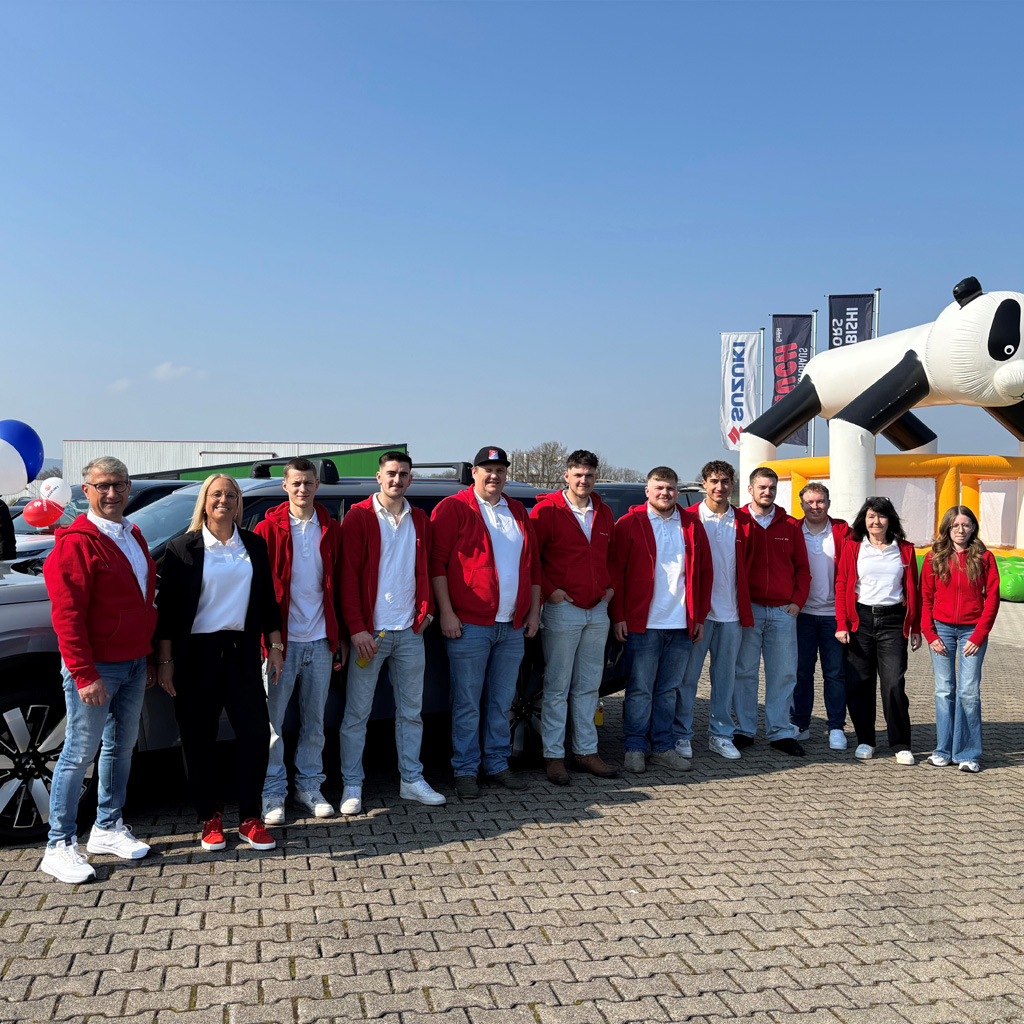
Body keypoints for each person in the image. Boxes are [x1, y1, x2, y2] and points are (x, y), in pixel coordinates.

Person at [39, 457, 157, 883]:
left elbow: (142, 601)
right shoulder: (76, 543)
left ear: (128, 488)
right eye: (102, 486)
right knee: (77, 754)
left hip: (131, 662)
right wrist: (84, 673)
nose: (112, 493)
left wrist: (145, 654)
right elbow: (67, 617)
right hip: (96, 668)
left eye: (119, 485)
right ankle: (59, 844)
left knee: (119, 749)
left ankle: (107, 827)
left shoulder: (133, 534)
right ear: (85, 491)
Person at [156, 474, 285, 851]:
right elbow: (168, 613)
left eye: (231, 495)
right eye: (216, 494)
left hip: (242, 653)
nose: (223, 500)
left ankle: (250, 818)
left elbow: (267, 602)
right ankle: (209, 817)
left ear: (238, 502)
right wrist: (165, 660)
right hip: (196, 656)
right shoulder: (183, 548)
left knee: (256, 734)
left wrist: (275, 644)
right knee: (198, 739)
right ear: (205, 501)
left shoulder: (255, 545)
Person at [430, 446, 541, 799]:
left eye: (500, 470)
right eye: (487, 469)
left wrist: (534, 611)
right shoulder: (454, 508)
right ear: (474, 473)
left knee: (501, 702)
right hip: (469, 625)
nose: (494, 476)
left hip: (511, 626)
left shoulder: (518, 511)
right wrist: (447, 612)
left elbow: (534, 565)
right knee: (467, 701)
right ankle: (465, 769)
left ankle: (496, 763)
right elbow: (436, 564)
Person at [339, 451, 445, 812]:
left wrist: (427, 610)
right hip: (371, 637)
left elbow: (428, 566)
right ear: (378, 477)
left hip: (410, 634)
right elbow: (347, 578)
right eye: (391, 474)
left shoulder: (420, 519)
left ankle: (411, 780)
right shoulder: (358, 517)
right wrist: (356, 629)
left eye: (403, 474)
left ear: (410, 480)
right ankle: (352, 785)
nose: (397, 480)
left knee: (411, 713)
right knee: (357, 715)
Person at [254, 457, 345, 825]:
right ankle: (272, 793)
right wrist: (270, 642)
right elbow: (260, 591)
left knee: (314, 723)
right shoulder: (267, 529)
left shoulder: (330, 528)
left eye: (308, 483)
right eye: (296, 483)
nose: (302, 489)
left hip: (321, 641)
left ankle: (309, 787)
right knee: (272, 724)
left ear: (316, 486)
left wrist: (339, 636)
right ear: (285, 486)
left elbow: (337, 586)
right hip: (281, 645)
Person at [610, 466, 712, 773]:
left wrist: (699, 617)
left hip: (680, 624)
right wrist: (619, 616)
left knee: (669, 690)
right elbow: (617, 572)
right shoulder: (630, 523)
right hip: (643, 624)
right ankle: (635, 747)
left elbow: (705, 574)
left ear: (677, 491)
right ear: (648, 492)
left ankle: (663, 747)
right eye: (659, 488)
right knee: (640, 688)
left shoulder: (692, 524)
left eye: (670, 488)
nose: (665, 493)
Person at [529, 449, 617, 786]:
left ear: (597, 476)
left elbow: (613, 558)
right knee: (556, 687)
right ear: (566, 476)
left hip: (597, 609)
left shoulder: (604, 512)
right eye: (577, 475)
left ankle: (586, 752)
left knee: (588, 687)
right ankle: (553, 756)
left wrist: (609, 591)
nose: (583, 481)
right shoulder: (546, 510)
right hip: (562, 608)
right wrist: (551, 591)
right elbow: (532, 557)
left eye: (589, 475)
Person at [676, 461, 754, 761]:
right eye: (713, 481)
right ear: (704, 484)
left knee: (725, 679)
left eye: (724, 481)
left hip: (732, 615)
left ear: (732, 484)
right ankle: (681, 734)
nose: (719, 487)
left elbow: (749, 565)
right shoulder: (689, 517)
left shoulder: (743, 521)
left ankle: (720, 734)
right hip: (699, 615)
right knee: (687, 679)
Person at [835, 496, 922, 765]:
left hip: (894, 622)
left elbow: (914, 589)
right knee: (859, 684)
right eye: (871, 516)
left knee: (894, 683)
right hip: (859, 621)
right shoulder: (853, 548)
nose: (876, 521)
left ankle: (900, 743)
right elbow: (841, 584)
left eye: (882, 516)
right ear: (864, 519)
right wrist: (841, 623)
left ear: (890, 520)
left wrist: (915, 626)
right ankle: (866, 740)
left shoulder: (905, 550)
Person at [734, 467, 810, 755]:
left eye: (771, 488)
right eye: (761, 487)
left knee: (783, 674)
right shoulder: (738, 521)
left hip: (782, 612)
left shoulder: (790, 525)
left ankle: (779, 732)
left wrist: (797, 603)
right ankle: (743, 730)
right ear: (750, 489)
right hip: (749, 610)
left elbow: (803, 569)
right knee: (745, 673)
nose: (767, 492)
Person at [921, 506, 1000, 774]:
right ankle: (943, 750)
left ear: (973, 527)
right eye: (955, 525)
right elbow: (925, 598)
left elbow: (992, 598)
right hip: (941, 630)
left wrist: (979, 634)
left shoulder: (985, 558)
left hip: (972, 632)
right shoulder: (934, 557)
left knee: (968, 692)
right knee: (944, 690)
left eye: (966, 525)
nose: (960, 530)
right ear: (947, 528)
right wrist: (930, 634)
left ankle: (968, 753)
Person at [790, 482, 851, 750]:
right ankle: (800, 723)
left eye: (820, 501)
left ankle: (836, 727)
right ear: (801, 504)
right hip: (801, 613)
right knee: (801, 672)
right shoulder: (792, 530)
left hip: (833, 616)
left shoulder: (842, 531)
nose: (815, 506)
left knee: (835, 674)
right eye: (810, 502)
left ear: (828, 502)